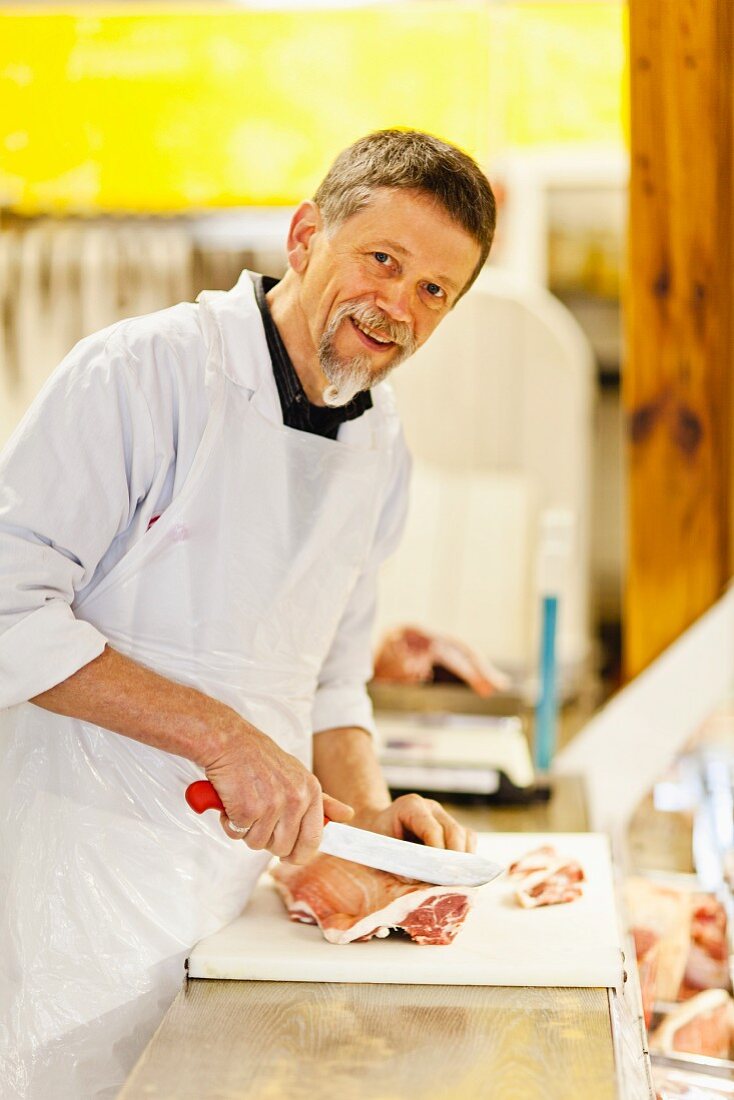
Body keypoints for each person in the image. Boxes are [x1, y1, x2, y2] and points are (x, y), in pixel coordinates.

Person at [0, 128, 496, 1098]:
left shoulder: (380, 446)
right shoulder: (140, 375)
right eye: (381, 260)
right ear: (305, 235)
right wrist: (222, 738)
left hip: (231, 901)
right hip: (76, 885)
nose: (395, 305)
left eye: (432, 291)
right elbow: (7, 606)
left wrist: (360, 823)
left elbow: (330, 672)